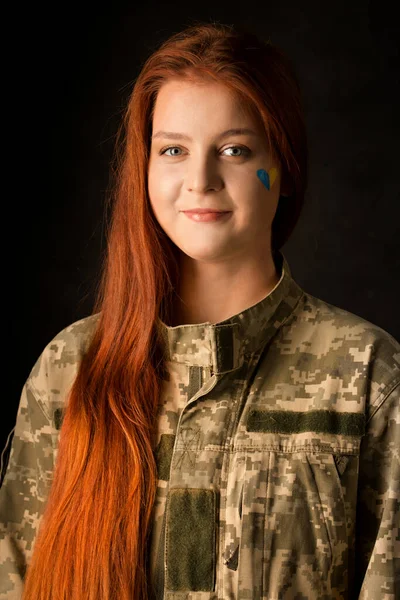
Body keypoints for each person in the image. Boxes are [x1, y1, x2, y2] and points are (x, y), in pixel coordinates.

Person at [0, 20, 398, 600]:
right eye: (174, 150)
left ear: (283, 168)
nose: (200, 180)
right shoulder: (69, 369)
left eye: (235, 150)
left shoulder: (366, 375)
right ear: (145, 167)